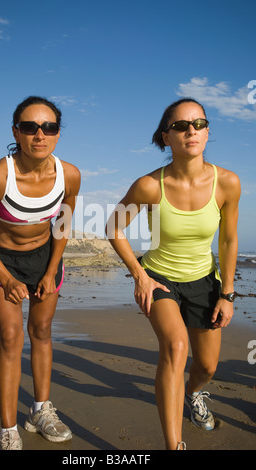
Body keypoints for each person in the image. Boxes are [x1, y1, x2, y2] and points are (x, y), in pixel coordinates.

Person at [106, 98, 240, 450]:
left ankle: (193, 394)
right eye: (180, 126)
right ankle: (173, 445)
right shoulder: (149, 186)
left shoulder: (227, 183)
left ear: (208, 131)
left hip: (204, 282)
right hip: (160, 279)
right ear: (166, 137)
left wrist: (226, 293)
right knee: (176, 347)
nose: (190, 131)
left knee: (207, 367)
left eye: (198, 123)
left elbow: (228, 239)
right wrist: (139, 275)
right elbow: (114, 228)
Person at [0, 96, 81, 450]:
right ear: (16, 131)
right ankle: (8, 430)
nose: (39, 135)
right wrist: (5, 277)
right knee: (10, 336)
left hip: (46, 257)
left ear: (58, 134)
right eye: (30, 127)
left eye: (48, 127)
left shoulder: (70, 175)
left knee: (42, 330)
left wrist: (51, 270)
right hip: (4, 261)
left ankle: (40, 411)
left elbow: (63, 224)